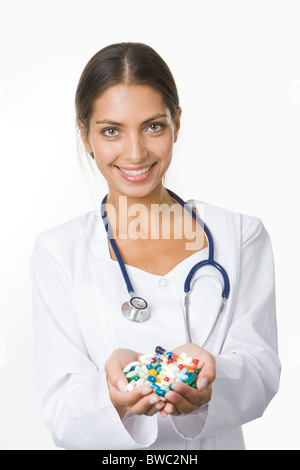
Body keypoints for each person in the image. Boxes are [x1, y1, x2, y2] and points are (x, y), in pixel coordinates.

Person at [30, 42, 281, 450]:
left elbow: (262, 372)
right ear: (85, 134)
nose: (135, 152)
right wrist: (111, 394)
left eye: (153, 126)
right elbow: (61, 411)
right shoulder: (59, 253)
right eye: (111, 130)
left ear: (176, 123)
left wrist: (210, 378)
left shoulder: (241, 236)